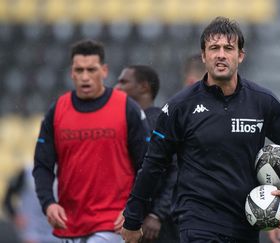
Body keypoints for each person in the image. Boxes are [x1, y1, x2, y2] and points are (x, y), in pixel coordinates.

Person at [120, 16, 280, 243]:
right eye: (214, 48)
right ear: (204, 56)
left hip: (246, 223)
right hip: (197, 221)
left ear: (240, 56)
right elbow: (153, 164)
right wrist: (133, 217)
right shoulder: (180, 106)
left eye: (228, 48)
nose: (221, 54)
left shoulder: (262, 101)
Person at [32, 39, 151, 242]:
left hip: (112, 224)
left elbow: (147, 165)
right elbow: (42, 165)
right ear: (72, 73)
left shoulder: (126, 108)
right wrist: (48, 203)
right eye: (79, 70)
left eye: (91, 69)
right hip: (70, 225)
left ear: (104, 71)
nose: (85, 77)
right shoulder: (57, 111)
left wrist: (134, 210)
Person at [116, 65, 179, 243]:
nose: (117, 87)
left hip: (157, 226)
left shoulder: (159, 123)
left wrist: (157, 214)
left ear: (143, 87)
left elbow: (176, 171)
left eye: (123, 82)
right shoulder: (128, 124)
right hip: (130, 220)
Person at [3, 165, 59, 243]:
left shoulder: (68, 172)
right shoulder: (27, 172)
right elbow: (7, 198)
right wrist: (15, 216)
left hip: (57, 231)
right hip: (32, 230)